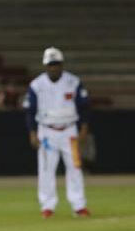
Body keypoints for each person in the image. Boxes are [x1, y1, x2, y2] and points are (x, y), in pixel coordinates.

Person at [23, 47, 91, 218]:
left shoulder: (73, 82)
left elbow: (84, 107)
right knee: (46, 169)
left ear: (62, 64)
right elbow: (30, 111)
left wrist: (84, 128)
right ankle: (47, 206)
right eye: (50, 64)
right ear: (46, 66)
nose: (53, 68)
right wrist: (32, 133)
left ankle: (79, 205)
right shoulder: (37, 85)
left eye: (56, 64)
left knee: (75, 167)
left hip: (70, 131)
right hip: (47, 131)